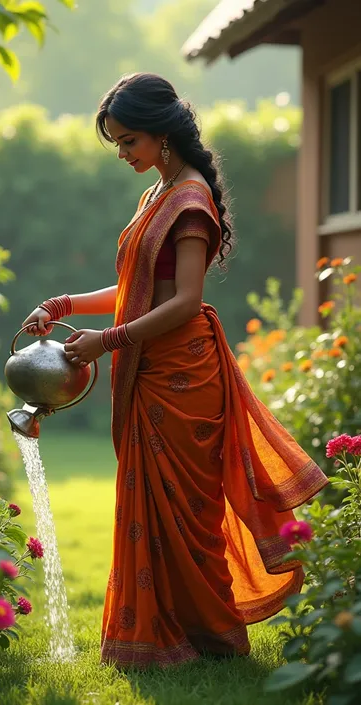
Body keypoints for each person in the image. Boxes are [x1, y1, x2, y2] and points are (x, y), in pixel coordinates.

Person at [22, 73, 328, 668]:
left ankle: (211, 636)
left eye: (128, 140)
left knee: (189, 512)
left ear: (162, 134)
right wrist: (64, 304)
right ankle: (163, 636)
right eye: (115, 142)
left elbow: (185, 300)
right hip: (152, 364)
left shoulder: (190, 201)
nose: (121, 153)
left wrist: (106, 340)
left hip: (184, 375)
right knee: (154, 506)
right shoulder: (155, 195)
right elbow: (137, 288)